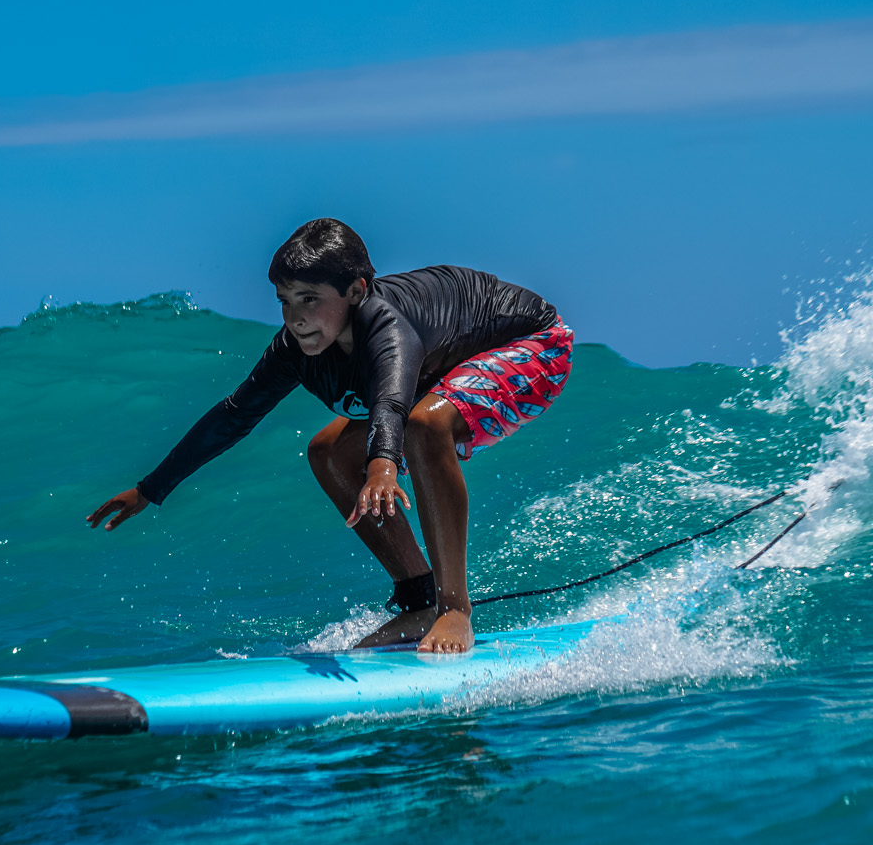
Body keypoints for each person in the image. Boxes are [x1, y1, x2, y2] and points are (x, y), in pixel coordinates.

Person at [87, 218, 573, 653]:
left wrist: (383, 466)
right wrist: (151, 489)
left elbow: (391, 402)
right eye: (285, 301)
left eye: (311, 300)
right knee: (327, 453)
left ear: (357, 292)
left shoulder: (387, 327)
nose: (295, 317)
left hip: (533, 344)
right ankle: (419, 601)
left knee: (425, 425)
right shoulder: (293, 349)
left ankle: (454, 610)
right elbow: (235, 415)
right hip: (443, 364)